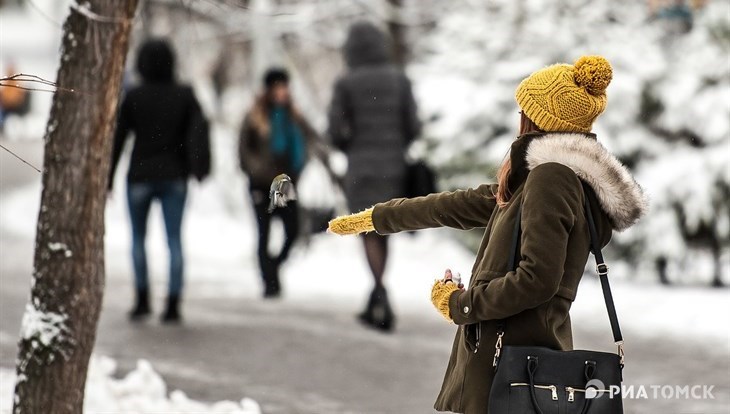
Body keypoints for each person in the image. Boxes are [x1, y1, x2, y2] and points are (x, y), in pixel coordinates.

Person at [328, 56, 648, 412]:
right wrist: (377, 218)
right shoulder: (540, 182)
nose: (518, 119)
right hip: (521, 361)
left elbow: (537, 279)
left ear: (538, 120)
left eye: (523, 110)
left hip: (511, 365)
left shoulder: (551, 178)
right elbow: (453, 206)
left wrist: (461, 305)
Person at [327, 22, 421, 332]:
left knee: (368, 232)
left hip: (361, 169)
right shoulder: (400, 80)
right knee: (382, 228)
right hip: (393, 167)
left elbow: (334, 132)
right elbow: (413, 127)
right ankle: (378, 294)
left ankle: (379, 294)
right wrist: (395, 146)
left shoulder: (346, 84)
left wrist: (351, 145)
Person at [110, 39, 210, 323]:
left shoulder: (134, 96)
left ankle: (142, 300)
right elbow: (199, 132)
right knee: (174, 241)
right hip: (174, 176)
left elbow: (118, 138)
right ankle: (173, 305)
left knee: (138, 239)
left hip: (139, 176)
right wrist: (199, 168)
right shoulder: (184, 94)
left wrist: (107, 179)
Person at [239, 68, 319, 298]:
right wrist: (256, 170)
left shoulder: (294, 116)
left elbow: (310, 140)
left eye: (285, 86)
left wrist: (302, 165)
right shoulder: (255, 116)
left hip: (284, 183)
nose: (282, 91)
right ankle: (269, 282)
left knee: (292, 231)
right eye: (278, 87)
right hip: (261, 183)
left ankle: (273, 268)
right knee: (264, 233)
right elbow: (244, 150)